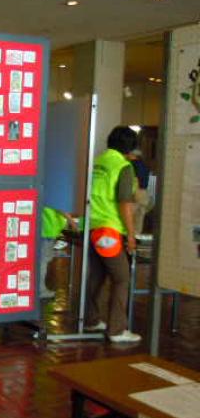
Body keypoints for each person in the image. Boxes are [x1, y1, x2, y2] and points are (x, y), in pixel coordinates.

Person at [85, 126, 141, 344]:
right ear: (130, 148)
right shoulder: (123, 167)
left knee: (97, 276)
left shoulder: (97, 162)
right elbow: (124, 203)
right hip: (109, 229)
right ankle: (117, 330)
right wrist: (131, 234)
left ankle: (91, 319)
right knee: (122, 278)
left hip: (91, 226)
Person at [39, 207, 77, 298]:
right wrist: (72, 222)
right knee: (43, 261)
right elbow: (59, 208)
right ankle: (41, 290)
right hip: (47, 230)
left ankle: (39, 289)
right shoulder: (53, 198)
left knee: (42, 260)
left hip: (45, 229)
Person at [127, 148, 153, 234]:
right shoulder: (145, 166)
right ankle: (136, 234)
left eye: (130, 154)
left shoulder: (130, 165)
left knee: (130, 214)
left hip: (135, 191)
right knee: (140, 215)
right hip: (144, 192)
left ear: (134, 156)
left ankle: (129, 235)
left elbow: (135, 179)